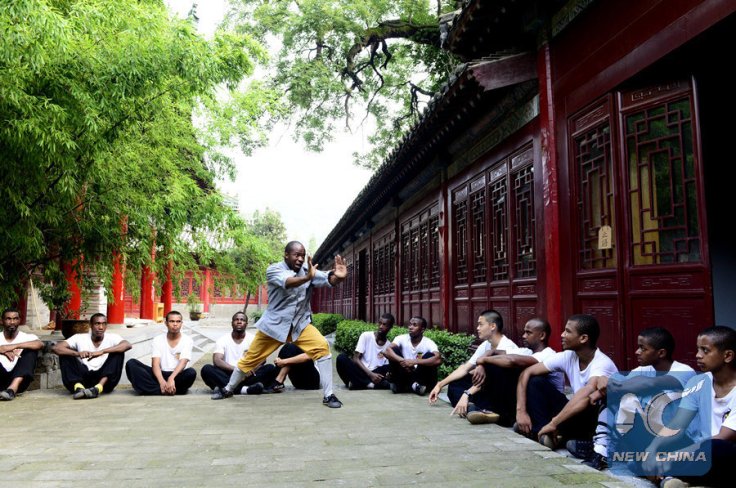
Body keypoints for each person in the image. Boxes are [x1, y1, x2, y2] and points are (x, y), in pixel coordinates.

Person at [212, 241, 347, 408]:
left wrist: (338, 277)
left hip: (300, 324)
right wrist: (307, 278)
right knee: (250, 360)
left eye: (302, 256)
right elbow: (289, 282)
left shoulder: (307, 271)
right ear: (286, 255)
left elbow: (327, 279)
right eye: (296, 255)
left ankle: (328, 395)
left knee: (323, 348)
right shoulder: (274, 270)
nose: (300, 259)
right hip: (274, 326)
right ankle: (228, 388)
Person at [579, 327, 695, 470]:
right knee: (615, 398)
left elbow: (649, 383)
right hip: (649, 431)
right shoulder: (646, 369)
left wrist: (608, 388)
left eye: (643, 348)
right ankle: (602, 450)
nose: (637, 352)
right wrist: (604, 381)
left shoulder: (684, 371)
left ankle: (615, 450)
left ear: (661, 353)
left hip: (675, 437)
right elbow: (615, 382)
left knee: (624, 397)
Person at [515, 314, 618, 469]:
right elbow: (526, 373)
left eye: (568, 331)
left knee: (587, 400)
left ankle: (557, 435)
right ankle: (543, 432)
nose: (562, 335)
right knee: (536, 382)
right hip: (575, 413)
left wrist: (554, 422)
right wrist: (521, 411)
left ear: (583, 338)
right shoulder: (568, 356)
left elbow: (586, 394)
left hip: (594, 421)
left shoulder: (602, 363)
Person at [645, 326, 736, 488]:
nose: (697, 355)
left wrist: (668, 458)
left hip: (723, 453)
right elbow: (677, 424)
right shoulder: (698, 382)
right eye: (698, 349)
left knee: (717, 448)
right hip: (698, 452)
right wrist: (652, 450)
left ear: (727, 356)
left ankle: (668, 477)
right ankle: (674, 479)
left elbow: (723, 437)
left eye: (705, 350)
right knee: (645, 446)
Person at [459, 318, 562, 426]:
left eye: (528, 333)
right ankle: (494, 412)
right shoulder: (526, 351)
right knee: (494, 365)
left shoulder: (548, 354)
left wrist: (483, 360)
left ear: (542, 336)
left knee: (531, 378)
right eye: (524, 332)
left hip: (547, 405)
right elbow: (493, 351)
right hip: (526, 400)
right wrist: (481, 365)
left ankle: (508, 418)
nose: (524, 336)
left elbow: (511, 361)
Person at [427, 310, 522, 414]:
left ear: (492, 326)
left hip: (501, 393)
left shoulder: (507, 347)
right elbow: (465, 368)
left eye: (481, 324)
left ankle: (478, 409)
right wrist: (440, 384)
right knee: (456, 383)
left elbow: (489, 377)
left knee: (479, 379)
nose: (477, 328)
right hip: (485, 387)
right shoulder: (485, 344)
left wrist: (467, 394)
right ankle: (472, 408)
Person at [52, 313, 132, 399]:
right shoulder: (79, 338)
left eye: (103, 324)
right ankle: (79, 388)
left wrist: (102, 351)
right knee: (64, 353)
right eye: (97, 324)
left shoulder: (112, 337)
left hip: (105, 381)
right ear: (90, 325)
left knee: (118, 352)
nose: (100, 327)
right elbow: (56, 348)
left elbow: (127, 345)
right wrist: (77, 354)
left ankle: (97, 389)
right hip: (83, 378)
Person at [204, 312, 278, 396]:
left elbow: (262, 359)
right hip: (228, 373)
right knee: (207, 369)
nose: (239, 321)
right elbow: (217, 360)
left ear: (246, 324)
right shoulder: (222, 339)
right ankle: (245, 390)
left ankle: (228, 389)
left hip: (249, 375)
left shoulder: (253, 339)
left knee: (270, 369)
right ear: (232, 323)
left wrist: (251, 370)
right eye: (236, 319)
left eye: (242, 320)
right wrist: (238, 371)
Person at [125, 311, 196, 395]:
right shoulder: (158, 339)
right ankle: (170, 390)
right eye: (172, 321)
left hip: (177, 375)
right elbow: (155, 364)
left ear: (181, 323)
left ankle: (152, 389)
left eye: (178, 321)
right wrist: (161, 381)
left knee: (191, 372)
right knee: (131, 364)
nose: (175, 324)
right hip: (160, 374)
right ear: (166, 323)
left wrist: (171, 378)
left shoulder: (187, 340)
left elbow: (183, 362)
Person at [383, 316, 442, 395]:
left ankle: (403, 386)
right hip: (404, 372)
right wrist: (402, 361)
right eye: (410, 324)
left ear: (422, 329)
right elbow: (387, 351)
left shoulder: (429, 343)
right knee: (393, 350)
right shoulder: (401, 338)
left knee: (430, 355)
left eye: (414, 325)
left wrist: (414, 362)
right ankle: (414, 386)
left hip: (420, 375)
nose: (410, 327)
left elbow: (438, 359)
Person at [336, 313, 395, 390]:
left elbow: (385, 368)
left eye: (384, 325)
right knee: (341, 358)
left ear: (390, 327)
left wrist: (387, 375)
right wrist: (370, 374)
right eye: (380, 323)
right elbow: (356, 358)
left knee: (389, 367)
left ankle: (357, 383)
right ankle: (370, 385)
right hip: (361, 370)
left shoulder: (389, 346)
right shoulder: (366, 336)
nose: (381, 326)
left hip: (376, 373)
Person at [0, 308, 43, 401]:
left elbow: (40, 344)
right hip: (1, 378)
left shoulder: (27, 337)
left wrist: (12, 347)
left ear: (19, 320)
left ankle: (11, 390)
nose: (12, 322)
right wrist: (2, 350)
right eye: (8, 319)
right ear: (1, 321)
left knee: (30, 351)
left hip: (20, 382)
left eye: (15, 319)